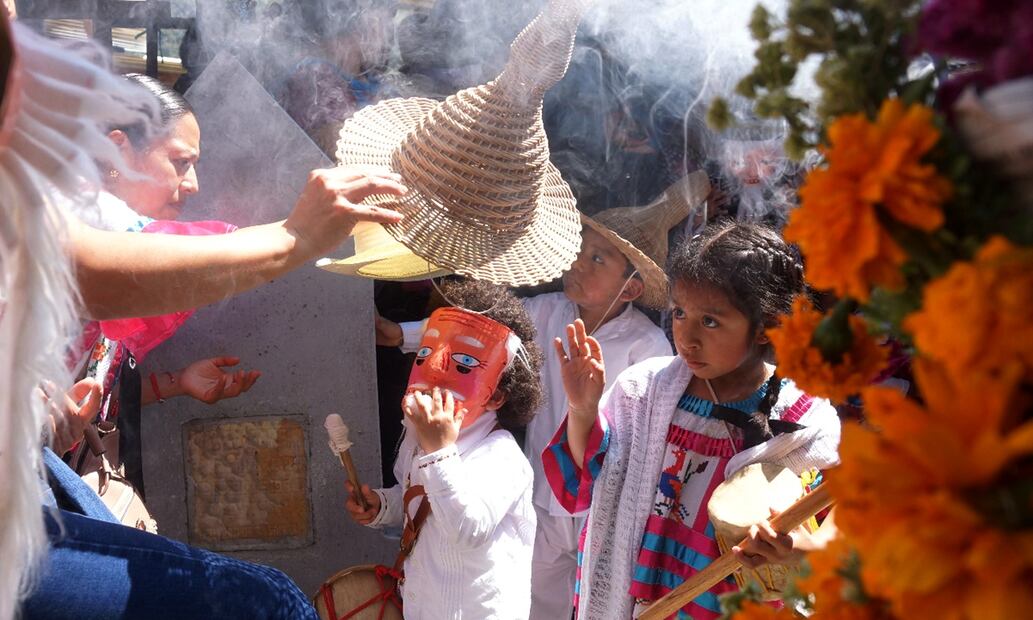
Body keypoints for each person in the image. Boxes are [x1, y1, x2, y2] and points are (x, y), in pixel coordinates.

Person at [0, 9, 406, 618]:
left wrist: (172, 386)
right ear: (117, 152)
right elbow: (102, 268)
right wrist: (295, 238)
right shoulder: (62, 209)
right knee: (264, 602)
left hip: (39, 465)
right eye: (180, 161)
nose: (192, 184)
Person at [375, 176, 707, 619]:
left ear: (629, 288)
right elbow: (480, 332)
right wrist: (400, 335)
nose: (578, 264)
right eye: (581, 250)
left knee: (604, 603)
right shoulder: (545, 311)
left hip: (605, 504)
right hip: (539, 493)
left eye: (597, 259)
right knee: (538, 604)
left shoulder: (646, 349)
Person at [545, 221, 841, 619]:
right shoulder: (641, 392)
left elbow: (842, 532)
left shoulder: (804, 424)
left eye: (711, 321)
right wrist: (583, 409)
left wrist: (802, 550)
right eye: (681, 313)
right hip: (634, 600)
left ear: (767, 327)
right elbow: (585, 483)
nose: (687, 338)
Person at [346, 279, 543, 619]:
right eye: (424, 354)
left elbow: (468, 529)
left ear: (496, 395)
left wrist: (439, 451)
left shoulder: (501, 456)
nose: (433, 370)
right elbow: (420, 501)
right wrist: (384, 505)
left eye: (464, 365)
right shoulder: (414, 440)